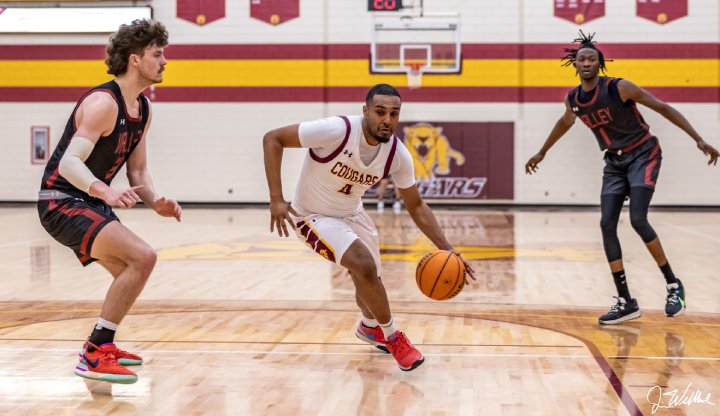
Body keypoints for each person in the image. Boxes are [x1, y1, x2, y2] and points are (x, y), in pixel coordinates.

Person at [263, 83, 476, 371]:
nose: (387, 120)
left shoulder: (397, 155)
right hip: (311, 216)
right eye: (380, 112)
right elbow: (272, 139)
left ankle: (370, 327)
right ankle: (395, 337)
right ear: (365, 111)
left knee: (370, 281)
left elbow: (416, 206)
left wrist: (448, 250)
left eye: (394, 114)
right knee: (363, 266)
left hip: (353, 214)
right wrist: (277, 199)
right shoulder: (336, 131)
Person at [525, 31, 719, 325]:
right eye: (582, 59)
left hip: (643, 154)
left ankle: (673, 284)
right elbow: (564, 123)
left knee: (638, 219)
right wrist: (542, 152)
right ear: (575, 65)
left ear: (599, 63)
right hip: (614, 163)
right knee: (606, 224)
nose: (586, 62)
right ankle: (626, 301)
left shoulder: (620, 88)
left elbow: (663, 108)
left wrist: (699, 139)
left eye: (592, 58)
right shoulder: (573, 99)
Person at [37, 19, 181, 384]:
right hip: (61, 200)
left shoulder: (143, 109)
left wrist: (155, 201)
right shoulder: (103, 102)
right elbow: (70, 162)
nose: (164, 61)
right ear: (135, 59)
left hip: (89, 202)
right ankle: (95, 351)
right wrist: (105, 191)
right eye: (157, 54)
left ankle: (102, 345)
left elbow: (138, 172)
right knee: (142, 257)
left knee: (129, 274)